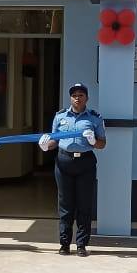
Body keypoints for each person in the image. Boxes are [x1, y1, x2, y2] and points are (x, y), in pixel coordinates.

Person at [40, 82, 106, 257]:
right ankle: (64, 244)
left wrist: (93, 141)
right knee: (65, 205)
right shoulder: (60, 116)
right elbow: (54, 140)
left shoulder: (94, 118)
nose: (77, 98)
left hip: (85, 162)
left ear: (87, 98)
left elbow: (102, 144)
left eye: (81, 95)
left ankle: (81, 245)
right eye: (74, 95)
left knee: (84, 205)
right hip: (64, 162)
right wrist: (46, 146)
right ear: (70, 98)